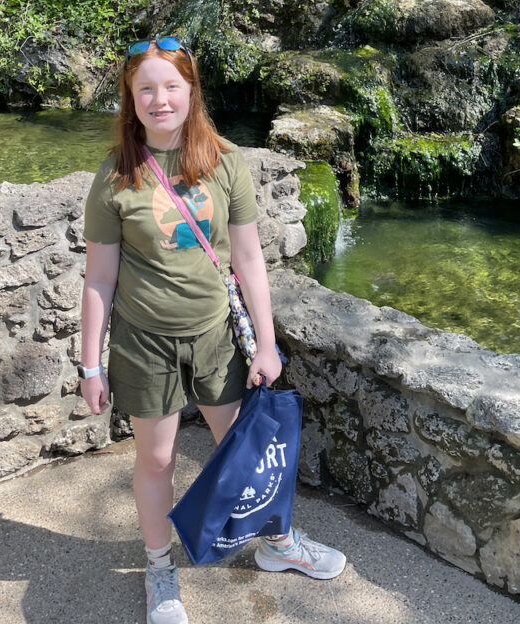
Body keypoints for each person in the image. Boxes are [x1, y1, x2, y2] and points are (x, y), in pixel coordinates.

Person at [79, 36, 346, 624]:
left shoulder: (225, 161)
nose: (159, 99)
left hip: (216, 337)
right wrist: (91, 363)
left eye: (171, 86)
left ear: (191, 91)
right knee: (155, 460)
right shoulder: (116, 176)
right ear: (131, 97)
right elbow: (99, 278)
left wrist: (268, 343)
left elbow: (249, 259)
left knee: (248, 451)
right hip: (143, 342)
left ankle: (278, 544)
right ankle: (158, 568)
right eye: (145, 88)